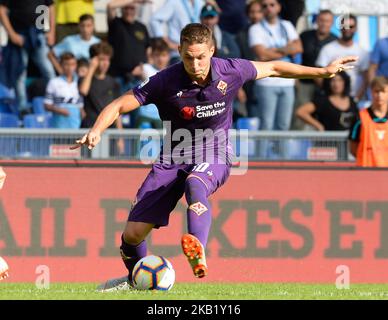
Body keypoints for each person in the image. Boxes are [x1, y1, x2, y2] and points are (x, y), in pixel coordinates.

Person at [71, 23, 356, 291]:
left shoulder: (231, 70)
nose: (194, 65)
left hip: (215, 150)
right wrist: (97, 129)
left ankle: (197, 247)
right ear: (180, 52)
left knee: (196, 183)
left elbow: (273, 67)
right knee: (132, 235)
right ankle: (136, 280)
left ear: (211, 51)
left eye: (200, 58)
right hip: (173, 157)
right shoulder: (164, 81)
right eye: (187, 58)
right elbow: (120, 105)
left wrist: (321, 72)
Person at [0, 0, 56, 116]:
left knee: (49, 71)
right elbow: (2, 10)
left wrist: (51, 32)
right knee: (20, 73)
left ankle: (55, 103)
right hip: (19, 34)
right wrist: (11, 34)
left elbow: (50, 7)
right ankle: (22, 108)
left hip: (39, 33)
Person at [294, 10, 337, 129]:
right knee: (300, 114)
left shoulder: (335, 40)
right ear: (317, 21)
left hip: (325, 86)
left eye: (327, 21)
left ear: (332, 23)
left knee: (322, 116)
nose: (324, 23)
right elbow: (297, 56)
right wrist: (295, 79)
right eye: (321, 20)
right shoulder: (305, 36)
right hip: (305, 82)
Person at [316, 14, 369, 101]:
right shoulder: (328, 49)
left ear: (356, 28)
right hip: (333, 100)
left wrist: (357, 98)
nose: (347, 29)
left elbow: (366, 78)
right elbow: (318, 74)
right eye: (344, 26)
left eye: (351, 26)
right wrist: (330, 95)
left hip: (355, 99)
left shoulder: (362, 52)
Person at [349, 77, 388, 167]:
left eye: (383, 92)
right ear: (371, 92)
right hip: (365, 171)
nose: (380, 95)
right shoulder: (360, 117)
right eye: (376, 91)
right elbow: (353, 147)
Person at [44, 52, 84, 128]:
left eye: (72, 64)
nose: (70, 67)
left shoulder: (79, 82)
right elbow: (47, 105)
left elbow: (80, 105)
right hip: (59, 126)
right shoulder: (54, 82)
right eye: (67, 64)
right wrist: (59, 110)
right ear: (61, 65)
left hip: (75, 125)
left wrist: (82, 111)